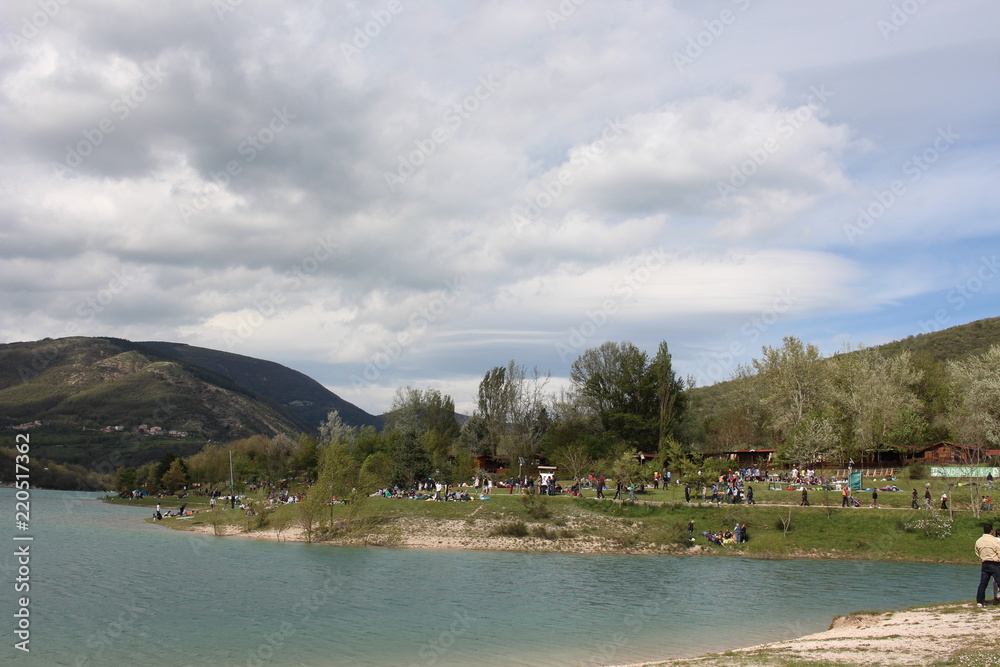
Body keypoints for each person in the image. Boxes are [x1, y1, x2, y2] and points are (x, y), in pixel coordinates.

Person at [975, 524, 1000, 608]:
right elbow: (998, 551)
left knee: (983, 583)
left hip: (985, 563)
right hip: (994, 563)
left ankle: (980, 601)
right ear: (991, 531)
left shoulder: (979, 541)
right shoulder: (994, 541)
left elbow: (977, 551)